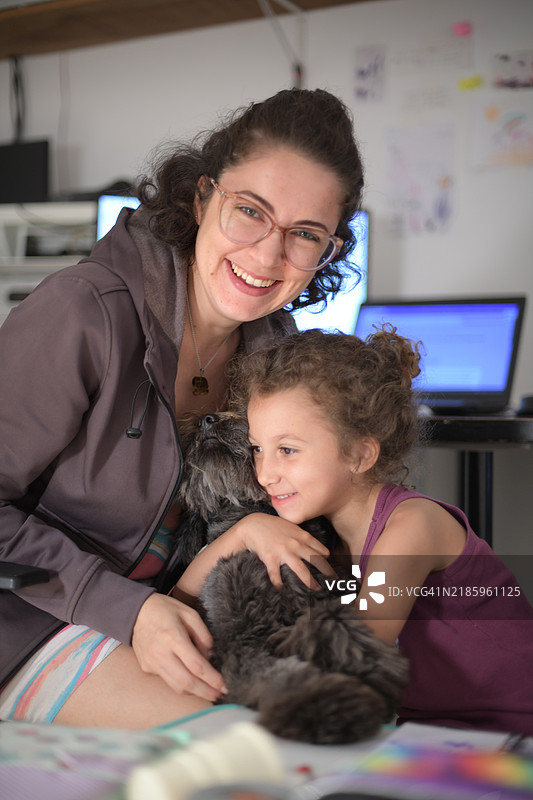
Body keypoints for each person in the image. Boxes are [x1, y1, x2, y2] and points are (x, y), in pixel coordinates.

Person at [0, 88, 365, 728]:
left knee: (355, 711)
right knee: (236, 740)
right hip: (29, 618)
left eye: (305, 234)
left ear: (328, 250)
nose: (267, 255)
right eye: (249, 210)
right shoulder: (84, 312)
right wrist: (128, 610)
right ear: (201, 199)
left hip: (168, 608)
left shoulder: (274, 352)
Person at [175, 328, 533, 735]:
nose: (266, 473)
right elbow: (181, 601)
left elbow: (355, 651)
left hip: (509, 728)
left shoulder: (412, 527)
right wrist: (243, 533)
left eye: (287, 450)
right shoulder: (317, 531)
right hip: (425, 729)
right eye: (258, 448)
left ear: (360, 454)